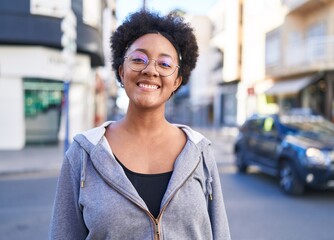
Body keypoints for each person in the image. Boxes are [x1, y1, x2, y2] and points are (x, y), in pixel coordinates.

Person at [49, 10, 231, 240]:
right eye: (138, 59)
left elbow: (220, 234)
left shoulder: (200, 153)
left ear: (177, 80)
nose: (150, 70)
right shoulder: (82, 155)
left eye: (165, 63)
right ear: (121, 71)